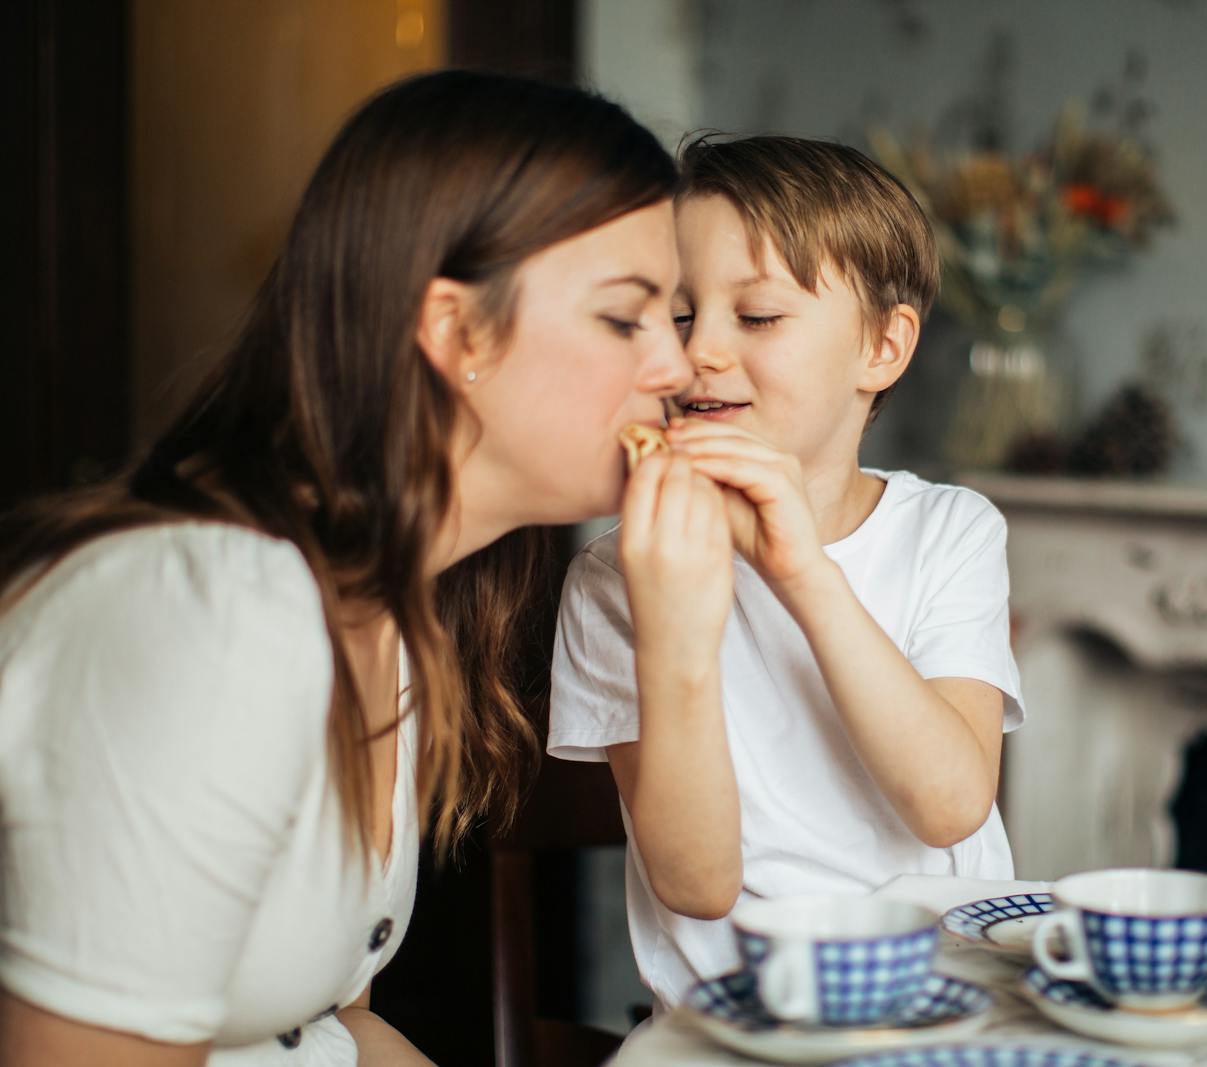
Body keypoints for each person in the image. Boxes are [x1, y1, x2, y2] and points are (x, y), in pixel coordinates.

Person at [0, 70, 718, 1066]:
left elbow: (330, 1027)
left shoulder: (394, 613)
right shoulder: (214, 616)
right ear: (454, 331)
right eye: (623, 317)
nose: (677, 369)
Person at [548, 134, 1027, 1010]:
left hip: (946, 1007)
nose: (700, 354)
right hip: (733, 1026)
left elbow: (951, 804)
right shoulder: (619, 575)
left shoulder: (951, 532)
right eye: (679, 316)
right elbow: (695, 884)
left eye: (758, 316)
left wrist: (802, 571)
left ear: (883, 346)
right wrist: (674, 624)